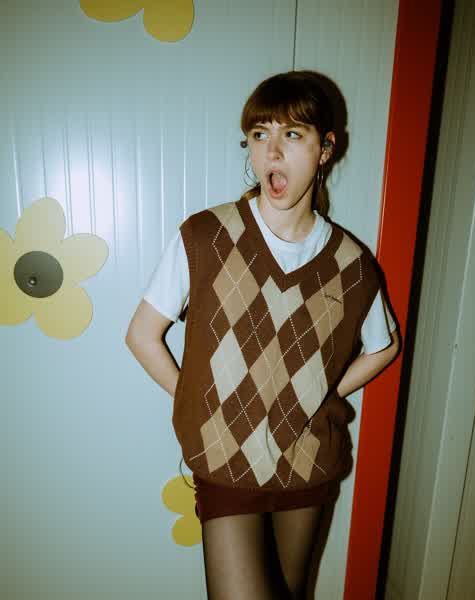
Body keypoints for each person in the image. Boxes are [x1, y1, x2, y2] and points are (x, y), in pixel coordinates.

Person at [126, 70, 400, 600]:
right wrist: (202, 402)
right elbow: (142, 335)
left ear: (325, 150)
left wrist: (322, 392)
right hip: (225, 464)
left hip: (308, 465)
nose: (272, 151)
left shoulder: (352, 265)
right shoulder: (205, 237)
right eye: (259, 134)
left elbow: (384, 346)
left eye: (292, 134)